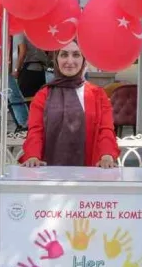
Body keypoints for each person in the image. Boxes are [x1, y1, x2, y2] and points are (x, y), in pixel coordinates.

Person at [18, 39, 119, 168]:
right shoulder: (43, 95)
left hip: (91, 171)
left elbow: (105, 129)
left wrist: (106, 155)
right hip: (48, 173)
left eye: (76, 55)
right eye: (64, 55)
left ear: (83, 59)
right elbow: (35, 130)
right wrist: (33, 156)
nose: (70, 61)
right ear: (56, 59)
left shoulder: (97, 94)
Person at [13, 33, 50, 98]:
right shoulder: (37, 30)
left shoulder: (20, 32)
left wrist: (16, 70)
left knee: (25, 101)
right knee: (38, 100)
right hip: (41, 71)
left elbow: (23, 52)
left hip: (29, 72)